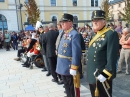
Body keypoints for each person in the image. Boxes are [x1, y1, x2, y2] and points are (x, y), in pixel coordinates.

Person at [86, 10, 119, 97]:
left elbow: (112, 56)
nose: (95, 22)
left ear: (104, 22)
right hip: (92, 73)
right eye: (93, 20)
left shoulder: (111, 34)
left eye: (98, 20)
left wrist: (106, 73)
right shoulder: (94, 34)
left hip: (101, 74)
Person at [56, 13, 82, 97]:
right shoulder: (64, 33)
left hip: (68, 65)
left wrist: (74, 66)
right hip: (62, 64)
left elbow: (76, 52)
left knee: (71, 86)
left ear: (70, 23)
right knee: (66, 85)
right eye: (61, 22)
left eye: (64, 22)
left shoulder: (74, 34)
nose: (62, 24)